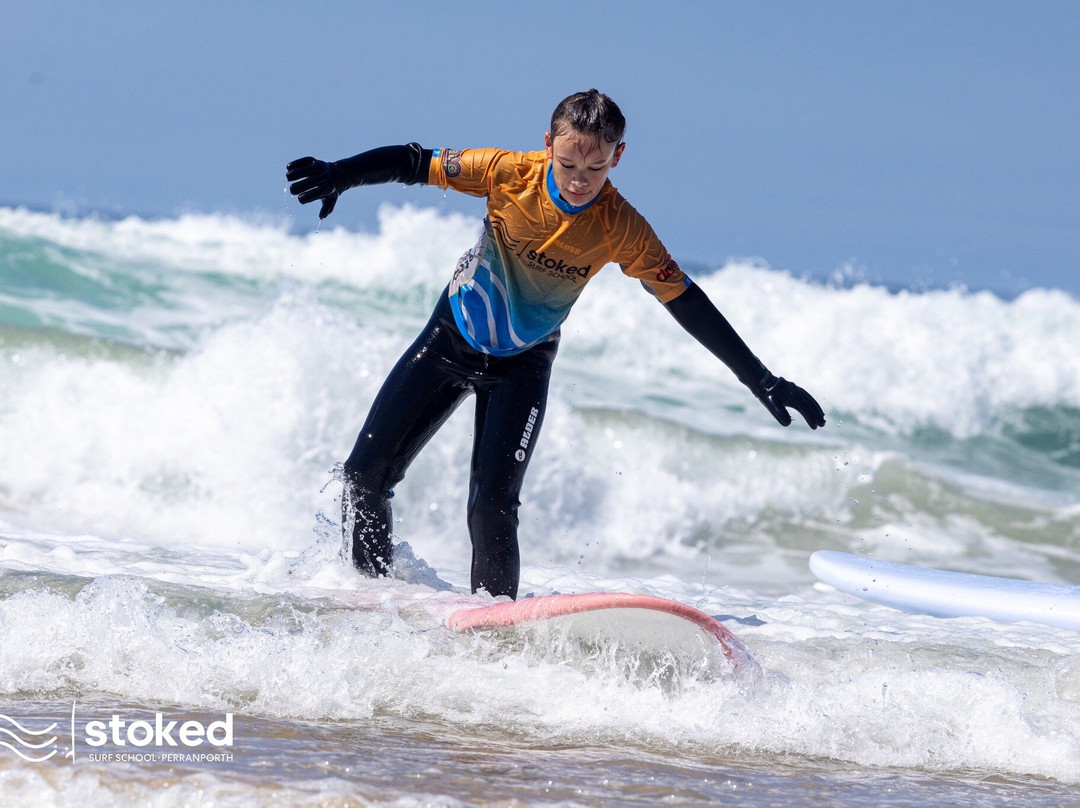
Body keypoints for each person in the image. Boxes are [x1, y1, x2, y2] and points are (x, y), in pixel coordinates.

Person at [287, 89, 825, 600]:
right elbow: (413, 162)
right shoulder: (506, 173)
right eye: (568, 164)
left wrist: (760, 378)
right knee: (363, 476)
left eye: (596, 168)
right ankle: (368, 590)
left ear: (618, 156)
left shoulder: (621, 226)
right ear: (548, 144)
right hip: (450, 338)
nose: (578, 181)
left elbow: (683, 297)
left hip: (523, 365)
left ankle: (492, 631)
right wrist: (340, 176)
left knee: (492, 507)